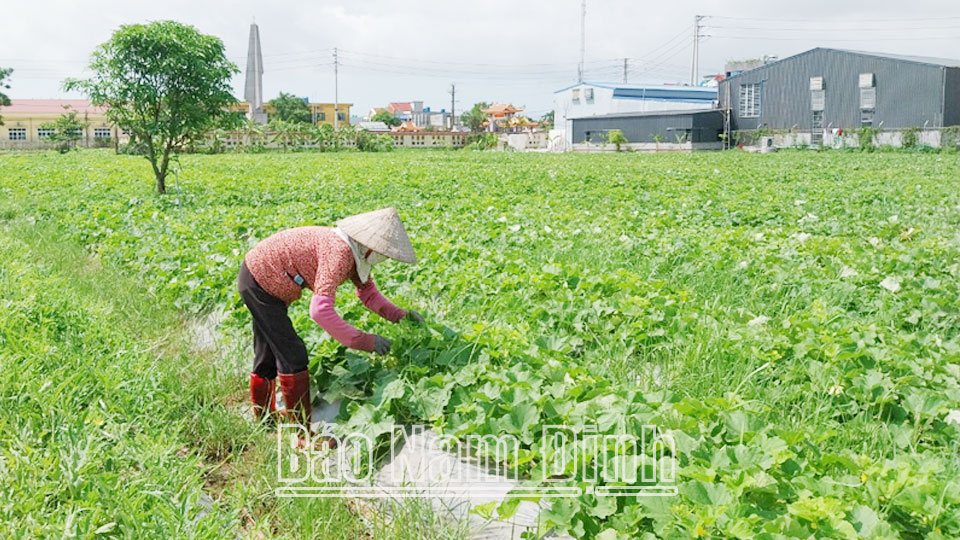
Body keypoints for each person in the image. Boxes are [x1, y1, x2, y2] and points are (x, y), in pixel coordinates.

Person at [237, 207, 422, 426]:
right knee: (293, 355)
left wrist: (402, 316)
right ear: (370, 247)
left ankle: (265, 419)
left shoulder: (355, 251)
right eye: (384, 253)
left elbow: (369, 295)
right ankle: (302, 433)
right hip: (261, 280)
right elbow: (320, 311)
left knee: (267, 351)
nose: (384, 258)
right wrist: (365, 341)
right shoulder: (340, 253)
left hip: (258, 278)